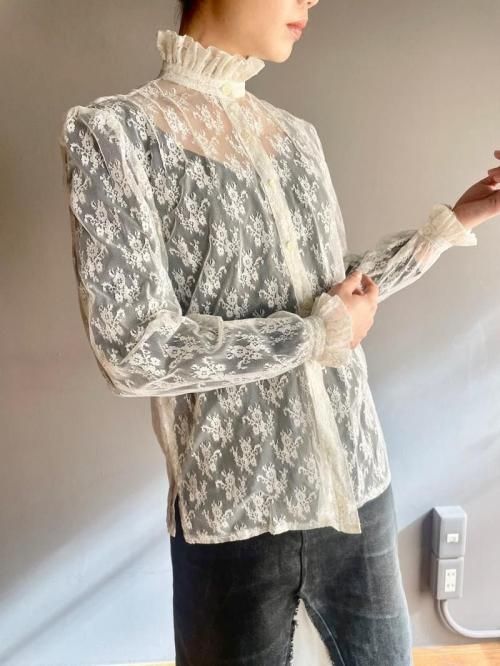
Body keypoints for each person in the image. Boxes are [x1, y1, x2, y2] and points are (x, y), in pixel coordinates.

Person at [59, 0, 500, 663]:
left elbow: (337, 298)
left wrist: (456, 221)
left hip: (358, 486)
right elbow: (135, 349)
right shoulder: (113, 134)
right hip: (236, 513)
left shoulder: (296, 137)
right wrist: (313, 336)